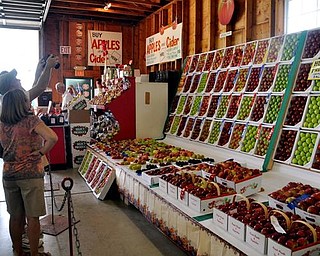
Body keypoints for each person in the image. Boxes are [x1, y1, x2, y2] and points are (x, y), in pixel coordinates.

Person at [0, 89, 58, 256]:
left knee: (15, 216)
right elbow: (52, 137)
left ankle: (18, 252)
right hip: (30, 173)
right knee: (32, 217)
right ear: (21, 103)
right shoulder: (30, 121)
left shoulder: (2, 123)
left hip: (9, 174)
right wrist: (40, 152)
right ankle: (34, 253)